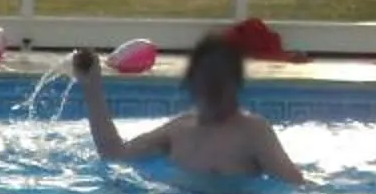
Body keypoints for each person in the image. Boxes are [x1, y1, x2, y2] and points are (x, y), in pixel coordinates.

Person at [69, 28, 308, 185]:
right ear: (192, 82)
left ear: (235, 85)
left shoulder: (253, 133)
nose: (214, 88)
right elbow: (114, 154)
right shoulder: (179, 130)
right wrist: (92, 89)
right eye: (209, 79)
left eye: (220, 81)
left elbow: (296, 188)